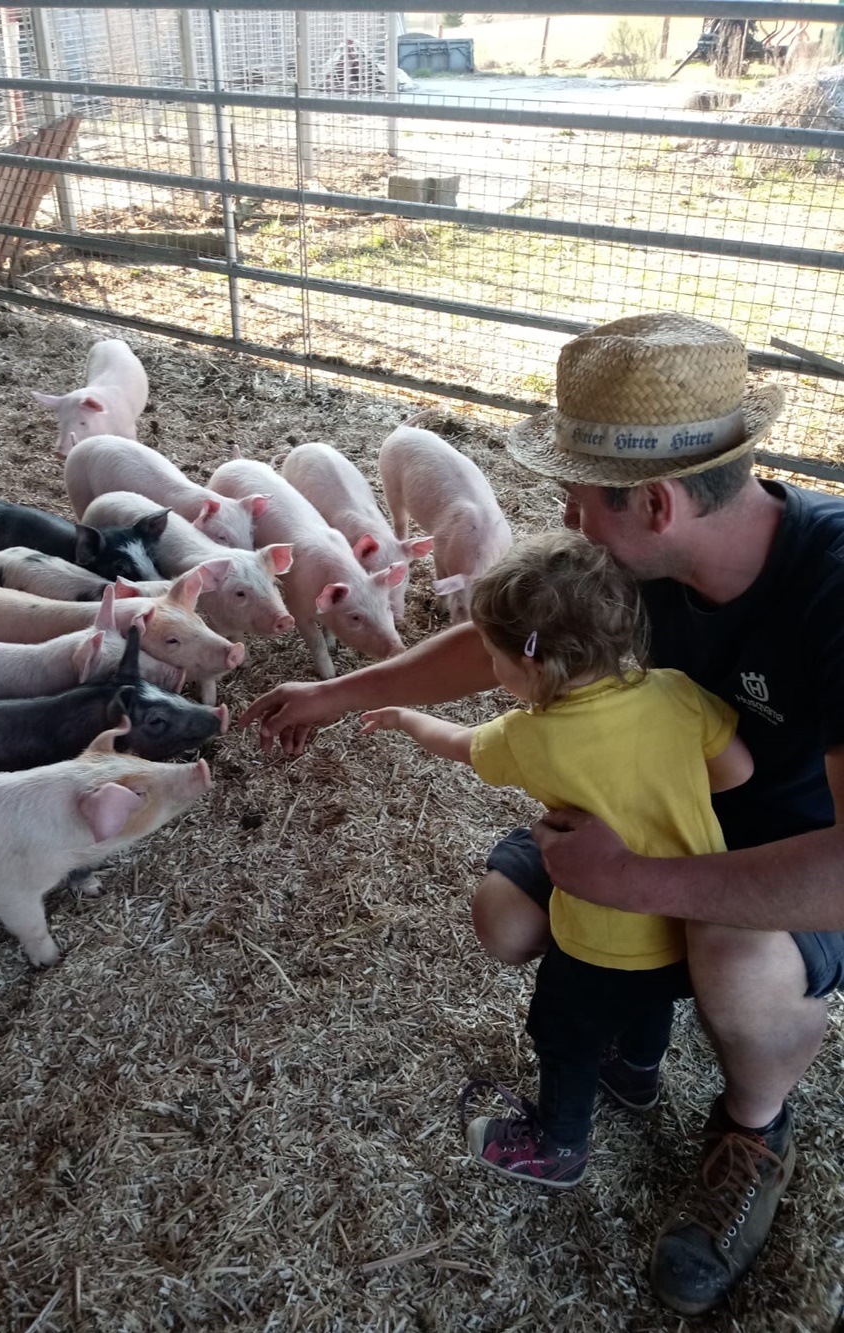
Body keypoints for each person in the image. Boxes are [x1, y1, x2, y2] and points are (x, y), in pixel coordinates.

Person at [239, 311, 844, 1316]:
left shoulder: (831, 590)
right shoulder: (633, 565)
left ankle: (751, 1124)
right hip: (637, 813)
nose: (562, 516)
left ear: (654, 503)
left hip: (784, 849)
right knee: (505, 914)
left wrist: (636, 879)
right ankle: (633, 1037)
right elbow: (505, 644)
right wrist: (340, 693)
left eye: (575, 497)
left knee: (732, 956)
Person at [358, 528, 752, 1189]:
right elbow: (735, 770)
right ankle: (635, 1074)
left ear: (533, 666)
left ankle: (557, 1144)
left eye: (493, 656)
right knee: (649, 999)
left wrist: (403, 718)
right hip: (686, 920)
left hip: (599, 941)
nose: (491, 668)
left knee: (565, 1033)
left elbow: (458, 742)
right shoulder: (676, 691)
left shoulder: (529, 736)